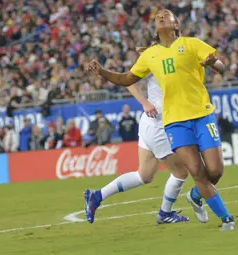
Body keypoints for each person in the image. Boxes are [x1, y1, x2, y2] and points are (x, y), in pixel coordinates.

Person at [86, 9, 234, 230]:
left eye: (166, 15)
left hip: (190, 115)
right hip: (165, 121)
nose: (161, 17)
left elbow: (221, 66)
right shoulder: (150, 55)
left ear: (176, 24)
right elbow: (127, 79)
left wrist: (214, 63)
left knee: (152, 174)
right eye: (157, 17)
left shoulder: (188, 44)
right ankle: (204, 216)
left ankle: (98, 196)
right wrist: (105, 74)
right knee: (188, 171)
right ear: (154, 29)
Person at [84, 72, 204, 224]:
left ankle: (97, 196)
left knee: (144, 175)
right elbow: (126, 80)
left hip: (149, 123)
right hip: (158, 126)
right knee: (180, 172)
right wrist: (144, 102)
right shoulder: (155, 57)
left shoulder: (162, 56)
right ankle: (165, 213)